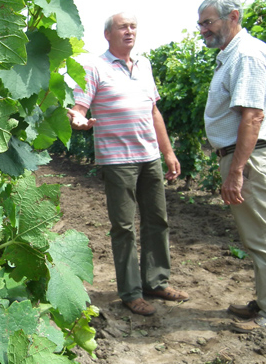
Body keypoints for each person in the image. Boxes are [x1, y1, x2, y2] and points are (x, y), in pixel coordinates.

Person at [67, 12, 189, 316]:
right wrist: (79, 120)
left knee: (157, 220)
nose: (129, 31)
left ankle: (156, 281)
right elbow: (79, 107)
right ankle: (131, 292)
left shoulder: (144, 65)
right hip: (117, 159)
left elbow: (154, 112)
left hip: (150, 157)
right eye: (123, 27)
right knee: (123, 227)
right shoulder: (94, 65)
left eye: (133, 26)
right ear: (108, 35)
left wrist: (168, 152)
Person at [198, 0, 266, 333]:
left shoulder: (246, 55)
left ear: (233, 17)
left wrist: (236, 172)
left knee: (262, 236)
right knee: (255, 234)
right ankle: (265, 300)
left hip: (247, 157)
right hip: (241, 156)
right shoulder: (233, 54)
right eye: (200, 24)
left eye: (208, 22)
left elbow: (252, 115)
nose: (203, 30)